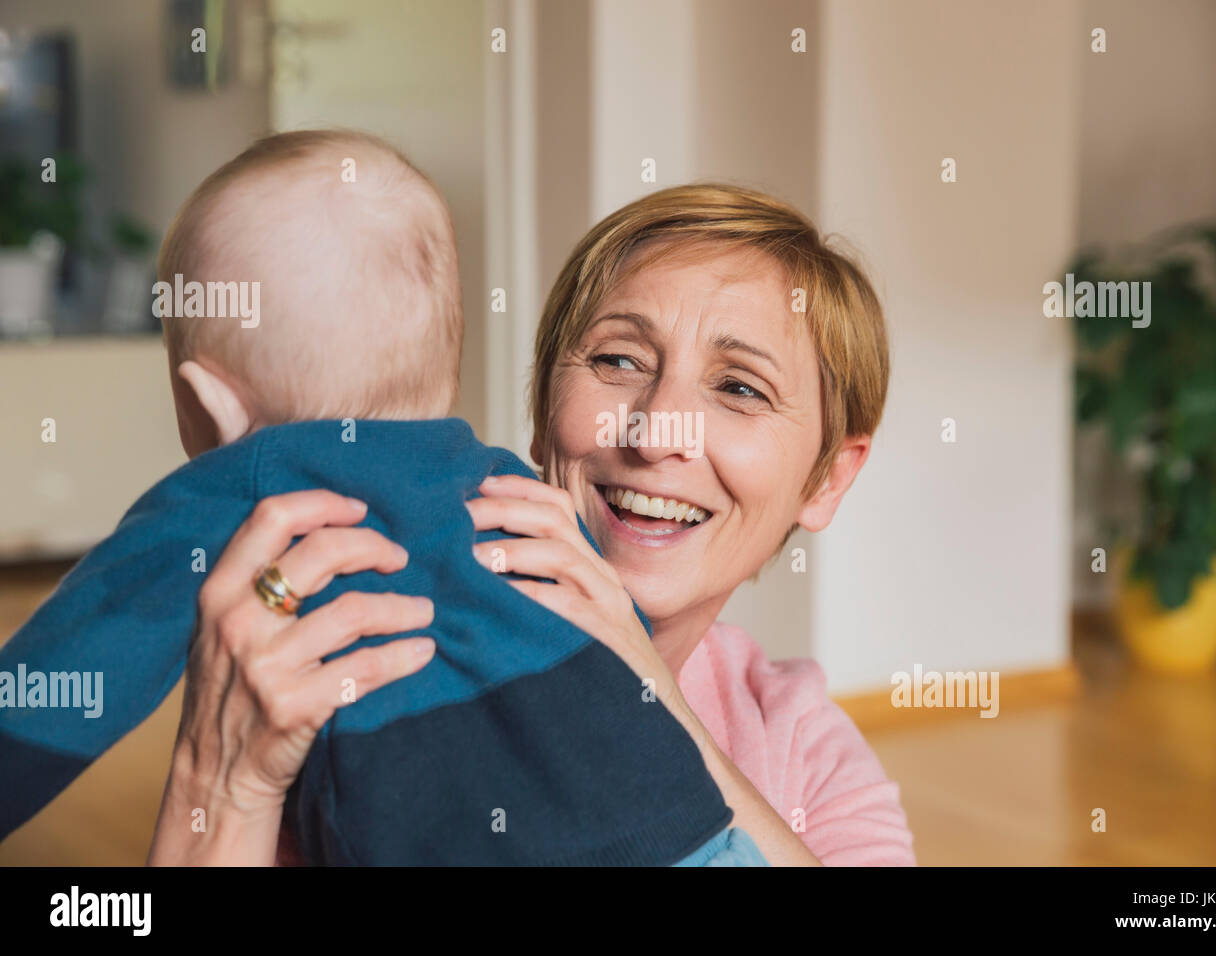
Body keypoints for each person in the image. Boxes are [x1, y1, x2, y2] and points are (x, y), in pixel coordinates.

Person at [0, 131, 766, 866]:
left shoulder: (243, 485)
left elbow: (63, 681)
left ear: (207, 404)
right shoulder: (507, 483)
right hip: (693, 833)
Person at [158, 182, 917, 866]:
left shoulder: (802, 746)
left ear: (828, 476)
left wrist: (653, 702)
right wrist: (223, 783)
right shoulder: (362, 649)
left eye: (741, 388)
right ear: (542, 409)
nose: (655, 434)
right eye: (618, 361)